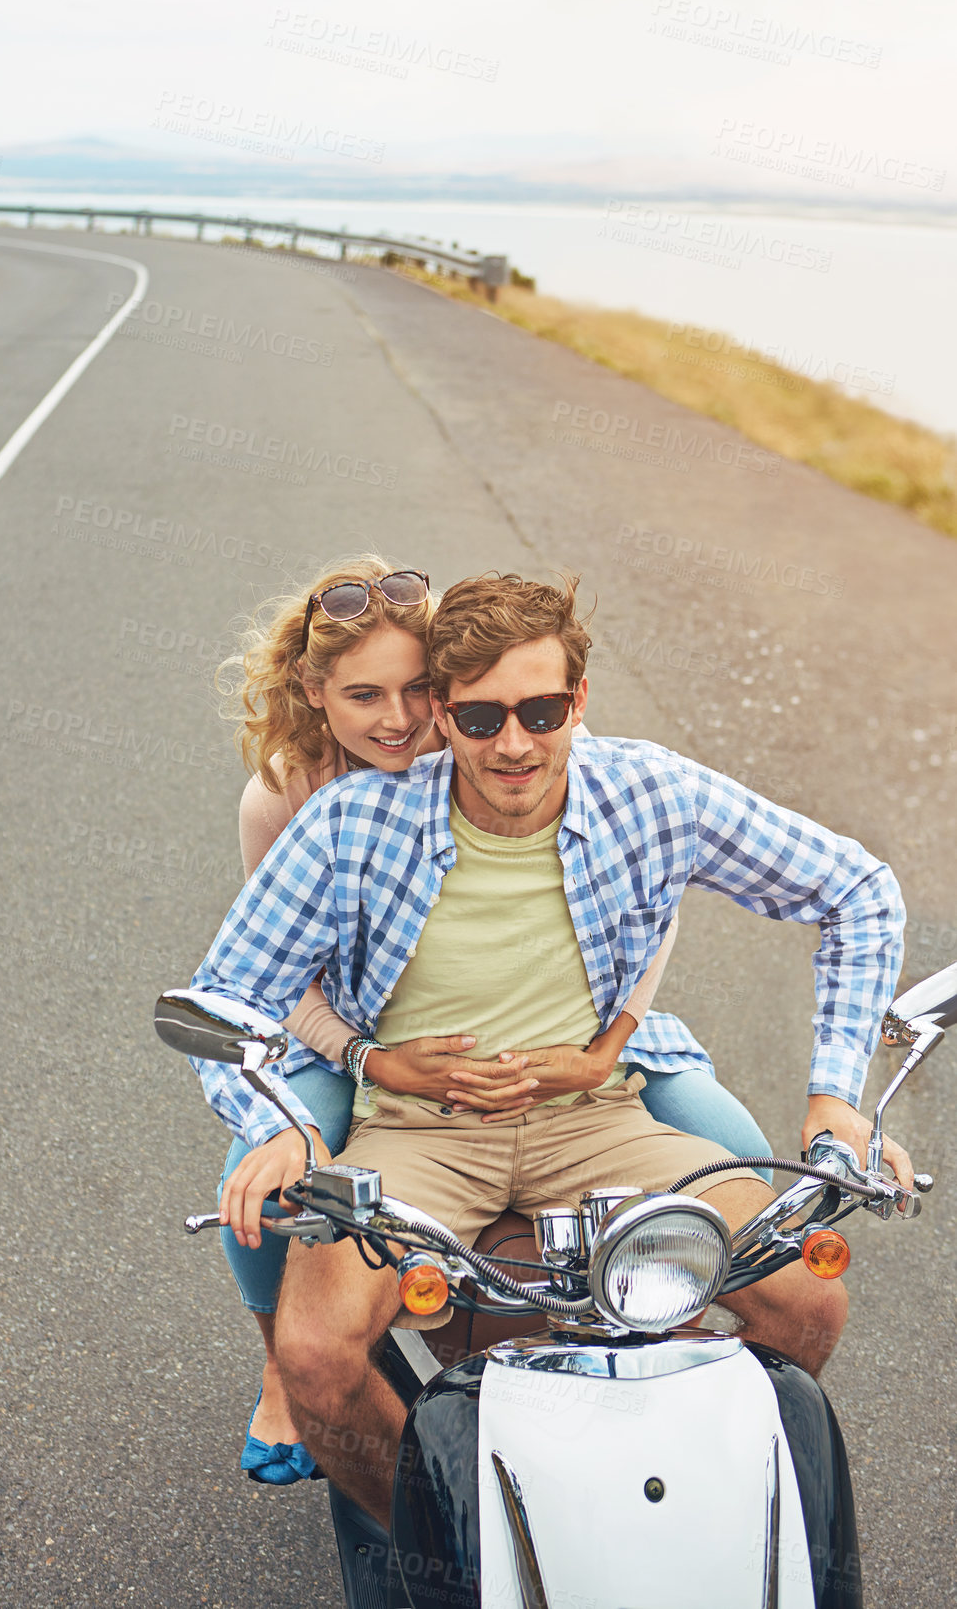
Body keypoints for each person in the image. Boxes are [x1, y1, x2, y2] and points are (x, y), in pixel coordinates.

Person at [191, 570, 909, 1524]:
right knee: (318, 1354)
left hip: (596, 1114)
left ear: (578, 699)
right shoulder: (343, 819)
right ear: (442, 715)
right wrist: (276, 1120)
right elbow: (222, 994)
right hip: (417, 1130)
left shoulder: (651, 788)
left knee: (807, 1299)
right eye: (483, 717)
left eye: (540, 708)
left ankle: (691, 1490)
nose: (516, 742)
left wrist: (836, 1097)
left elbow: (858, 891)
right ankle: (448, 1538)